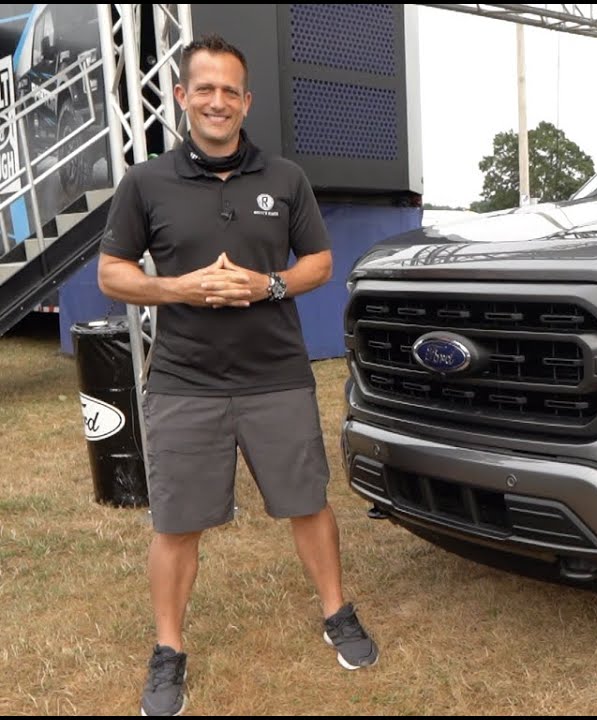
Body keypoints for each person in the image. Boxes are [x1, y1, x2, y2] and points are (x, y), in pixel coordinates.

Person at [97, 34, 378, 717]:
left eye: (230, 90)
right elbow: (113, 272)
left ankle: (337, 612)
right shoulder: (145, 183)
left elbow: (318, 262)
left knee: (308, 503)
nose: (218, 101)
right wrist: (182, 289)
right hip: (184, 382)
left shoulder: (286, 179)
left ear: (246, 101)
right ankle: (168, 652)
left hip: (275, 376)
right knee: (177, 523)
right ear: (183, 98)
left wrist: (267, 284)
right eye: (205, 89)